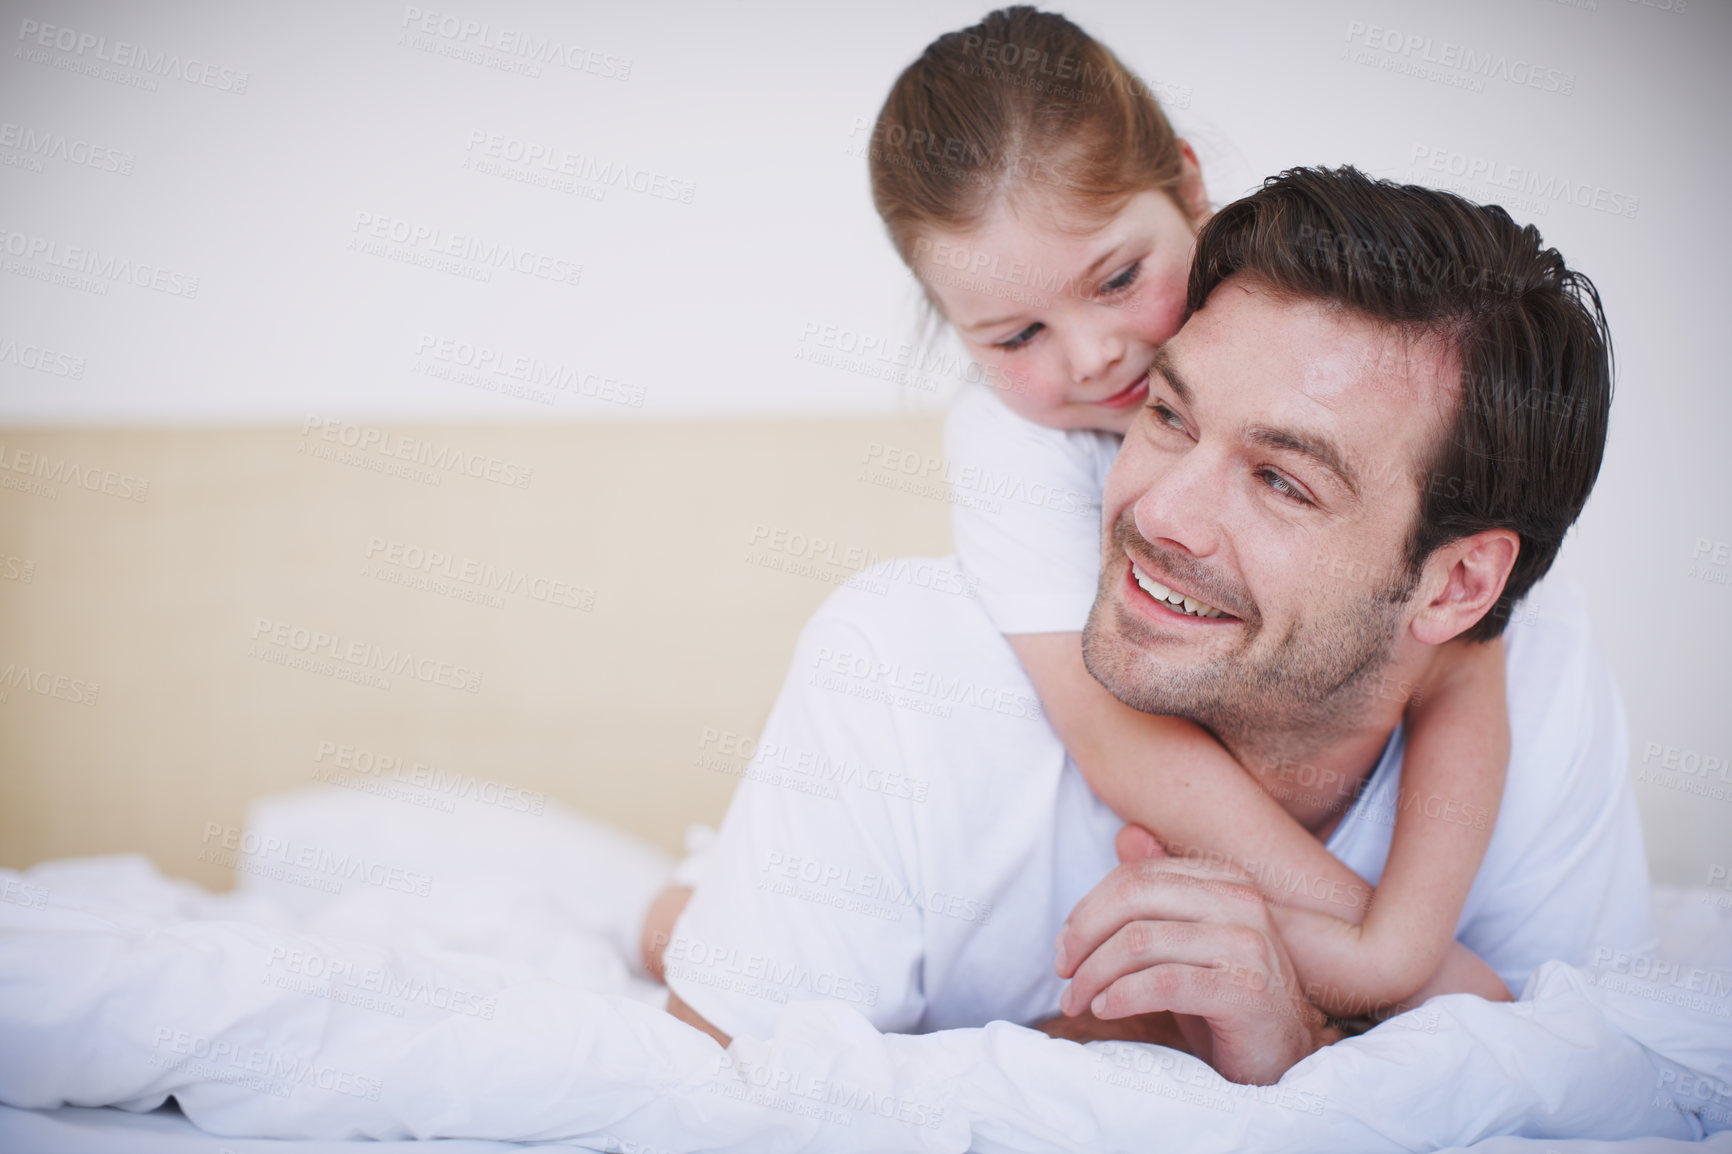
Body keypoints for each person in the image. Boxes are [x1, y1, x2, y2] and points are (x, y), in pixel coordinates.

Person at [649, 159, 1655, 1085]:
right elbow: (708, 1106)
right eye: (1167, 416)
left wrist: (1305, 1041)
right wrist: (1138, 1050)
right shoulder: (899, 669)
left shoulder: (1537, 667)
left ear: (1458, 587)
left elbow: (1604, 1081)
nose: (1157, 512)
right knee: (679, 921)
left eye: (1279, 481)